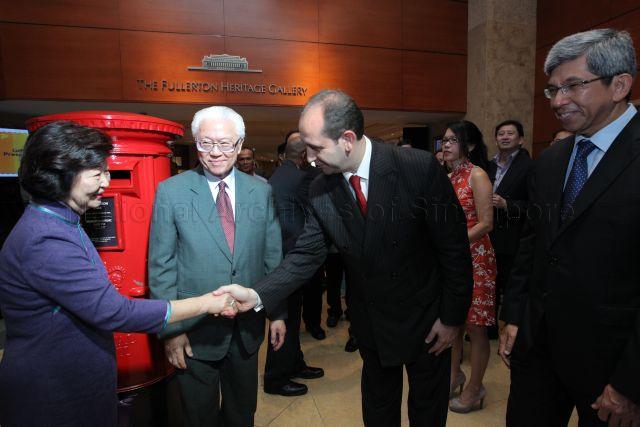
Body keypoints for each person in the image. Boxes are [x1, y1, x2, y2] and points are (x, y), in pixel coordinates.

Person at [216, 89, 474, 427]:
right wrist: (258, 293)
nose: (309, 158)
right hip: (372, 321)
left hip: (427, 321)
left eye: (316, 147)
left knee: (427, 410)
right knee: (378, 410)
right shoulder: (321, 188)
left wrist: (452, 318)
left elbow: (453, 249)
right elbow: (307, 253)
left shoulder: (417, 168)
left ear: (348, 139)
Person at [0, 122, 236, 427]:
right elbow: (115, 312)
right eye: (98, 174)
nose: (107, 182)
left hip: (73, 380)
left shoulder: (62, 221)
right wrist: (206, 303)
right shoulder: (46, 238)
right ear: (60, 176)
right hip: (54, 389)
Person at [499, 28, 640, 426]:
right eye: (553, 90)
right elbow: (533, 243)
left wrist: (631, 382)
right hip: (537, 350)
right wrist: (514, 317)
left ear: (620, 85)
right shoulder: (552, 159)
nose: (558, 102)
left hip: (612, 366)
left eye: (573, 86)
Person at [148, 106, 284, 427]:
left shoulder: (261, 191)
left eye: (225, 144)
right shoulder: (172, 192)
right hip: (194, 332)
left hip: (246, 330)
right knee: (199, 416)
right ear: (196, 144)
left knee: (242, 412)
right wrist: (172, 332)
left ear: (239, 145)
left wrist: (278, 312)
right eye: (206, 143)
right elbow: (161, 265)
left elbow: (273, 257)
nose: (216, 153)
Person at [263, 130, 324, 397]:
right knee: (284, 320)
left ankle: (294, 364)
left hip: (283, 255)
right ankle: (276, 379)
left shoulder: (278, 174)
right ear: (303, 154)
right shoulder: (301, 177)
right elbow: (298, 222)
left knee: (292, 316)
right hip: (289, 257)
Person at [442, 120, 497, 413]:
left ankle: (476, 388)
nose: (446, 145)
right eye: (445, 140)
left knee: (475, 328)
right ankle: (454, 376)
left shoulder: (477, 175)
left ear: (470, 146)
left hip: (477, 258)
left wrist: (454, 244)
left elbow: (486, 223)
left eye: (453, 140)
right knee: (454, 320)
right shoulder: (448, 177)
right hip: (453, 261)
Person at [487, 120, 533, 339]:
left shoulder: (529, 167)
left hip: (513, 237)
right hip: (488, 236)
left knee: (511, 286)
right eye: (501, 133)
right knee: (491, 285)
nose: (504, 137)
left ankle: (513, 330)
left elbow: (536, 206)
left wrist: (507, 205)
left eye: (510, 133)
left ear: (521, 139)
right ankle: (491, 328)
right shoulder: (489, 165)